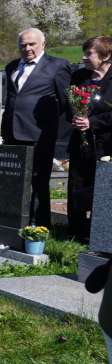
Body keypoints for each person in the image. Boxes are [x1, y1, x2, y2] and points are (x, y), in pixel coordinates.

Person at [2, 28, 71, 227]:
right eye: (23, 44)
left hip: (38, 133)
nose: (27, 48)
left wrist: (46, 118)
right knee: (13, 180)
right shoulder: (12, 66)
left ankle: (37, 223)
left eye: (32, 44)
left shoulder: (58, 65)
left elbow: (66, 99)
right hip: (11, 132)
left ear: (43, 44)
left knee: (38, 181)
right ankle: (12, 218)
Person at [66, 36, 112, 243]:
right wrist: (75, 117)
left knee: (102, 189)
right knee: (76, 185)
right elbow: (69, 106)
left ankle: (98, 233)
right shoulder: (79, 77)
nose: (83, 57)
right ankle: (75, 232)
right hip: (80, 142)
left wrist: (91, 123)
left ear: (106, 56)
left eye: (89, 54)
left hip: (106, 143)